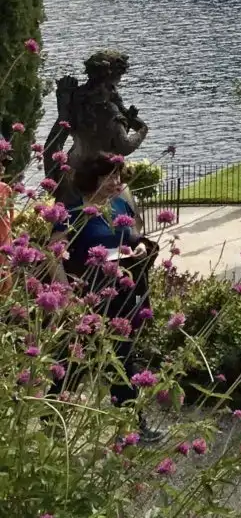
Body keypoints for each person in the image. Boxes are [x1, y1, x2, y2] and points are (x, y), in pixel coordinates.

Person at [65, 160, 156, 432]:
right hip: (90, 299)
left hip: (123, 297)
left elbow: (135, 237)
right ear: (92, 178)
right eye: (110, 176)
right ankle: (51, 417)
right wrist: (66, 294)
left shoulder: (120, 205)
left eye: (118, 175)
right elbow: (54, 253)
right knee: (72, 361)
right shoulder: (74, 213)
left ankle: (132, 425)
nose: (118, 181)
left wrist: (139, 248)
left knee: (123, 358)